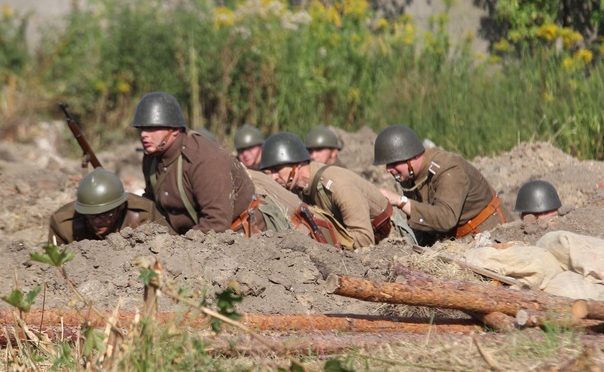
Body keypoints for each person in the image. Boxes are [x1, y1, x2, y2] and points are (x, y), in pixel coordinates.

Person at [133, 91, 264, 236]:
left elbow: (217, 222)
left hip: (238, 237)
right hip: (190, 236)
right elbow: (152, 203)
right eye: (141, 128)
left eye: (152, 128)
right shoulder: (152, 157)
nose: (144, 134)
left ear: (174, 130)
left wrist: (180, 248)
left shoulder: (203, 159)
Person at [373, 124, 511, 245]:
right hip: (457, 242)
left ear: (412, 156)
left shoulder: (448, 169)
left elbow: (446, 219)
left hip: (493, 238)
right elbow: (425, 223)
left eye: (394, 163)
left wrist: (401, 201)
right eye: (387, 164)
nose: (388, 169)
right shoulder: (410, 176)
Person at [260, 132, 397, 250]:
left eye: (278, 170)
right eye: (268, 173)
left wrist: (324, 242)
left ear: (298, 163)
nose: (273, 177)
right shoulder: (298, 189)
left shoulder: (338, 184)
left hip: (392, 241)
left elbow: (364, 240)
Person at [48, 167, 172, 245]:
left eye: (105, 214)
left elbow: (174, 246)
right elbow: (53, 262)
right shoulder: (63, 223)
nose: (97, 220)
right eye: (90, 215)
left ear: (121, 206)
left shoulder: (145, 213)